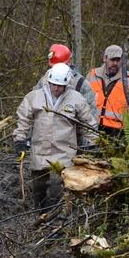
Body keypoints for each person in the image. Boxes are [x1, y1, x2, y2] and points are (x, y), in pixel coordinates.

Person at [13, 63, 98, 210]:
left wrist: (93, 142)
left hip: (64, 154)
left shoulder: (76, 99)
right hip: (39, 152)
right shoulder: (35, 97)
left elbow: (88, 123)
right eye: (53, 85)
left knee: (56, 189)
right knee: (39, 190)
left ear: (66, 84)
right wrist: (20, 139)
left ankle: (55, 223)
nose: (56, 88)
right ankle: (40, 219)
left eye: (59, 85)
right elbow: (23, 119)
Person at [86, 45, 129, 141]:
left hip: (118, 134)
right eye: (112, 60)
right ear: (105, 58)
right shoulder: (92, 75)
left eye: (118, 60)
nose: (115, 63)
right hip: (92, 129)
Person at [37, 44, 96, 114]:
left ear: (69, 62)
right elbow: (33, 105)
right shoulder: (44, 81)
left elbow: (92, 115)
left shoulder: (82, 84)